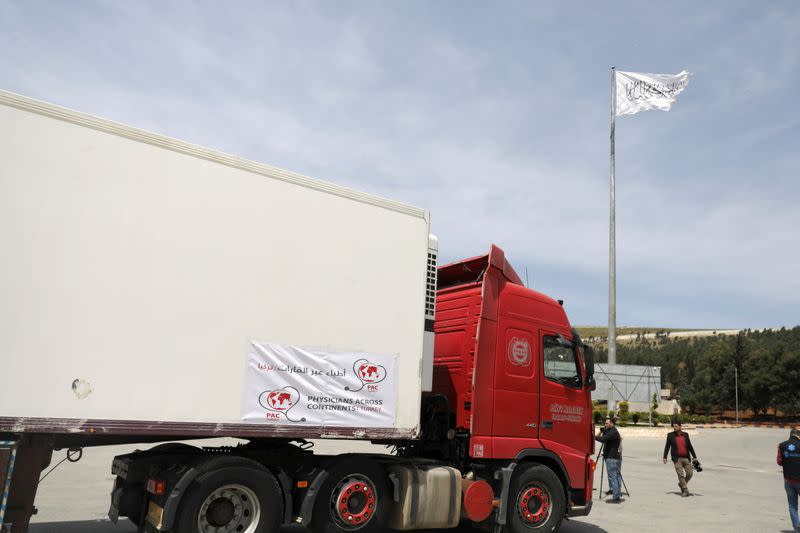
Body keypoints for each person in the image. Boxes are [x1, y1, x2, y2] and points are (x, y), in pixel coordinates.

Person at [663, 420, 698, 497]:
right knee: (680, 475)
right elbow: (667, 446)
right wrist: (665, 457)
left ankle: (681, 483)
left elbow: (690, 446)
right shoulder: (670, 435)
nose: (674, 428)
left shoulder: (686, 435)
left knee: (690, 473)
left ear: (680, 426)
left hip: (686, 458)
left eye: (676, 426)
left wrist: (694, 457)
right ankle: (685, 490)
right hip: (677, 459)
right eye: (674, 426)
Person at [595, 417, 623, 502]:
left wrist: (593, 436)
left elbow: (602, 439)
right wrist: (601, 430)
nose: (605, 425)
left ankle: (616, 496)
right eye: (605, 423)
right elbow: (602, 438)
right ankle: (616, 493)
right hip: (613, 457)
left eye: (607, 423)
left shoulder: (613, 432)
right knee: (616, 476)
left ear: (611, 423)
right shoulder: (610, 431)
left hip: (612, 458)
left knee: (613, 476)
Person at [777, 428, 800, 532]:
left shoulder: (782, 445)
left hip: (788, 481)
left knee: (792, 506)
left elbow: (779, 462)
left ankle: (797, 528)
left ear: (790, 435)